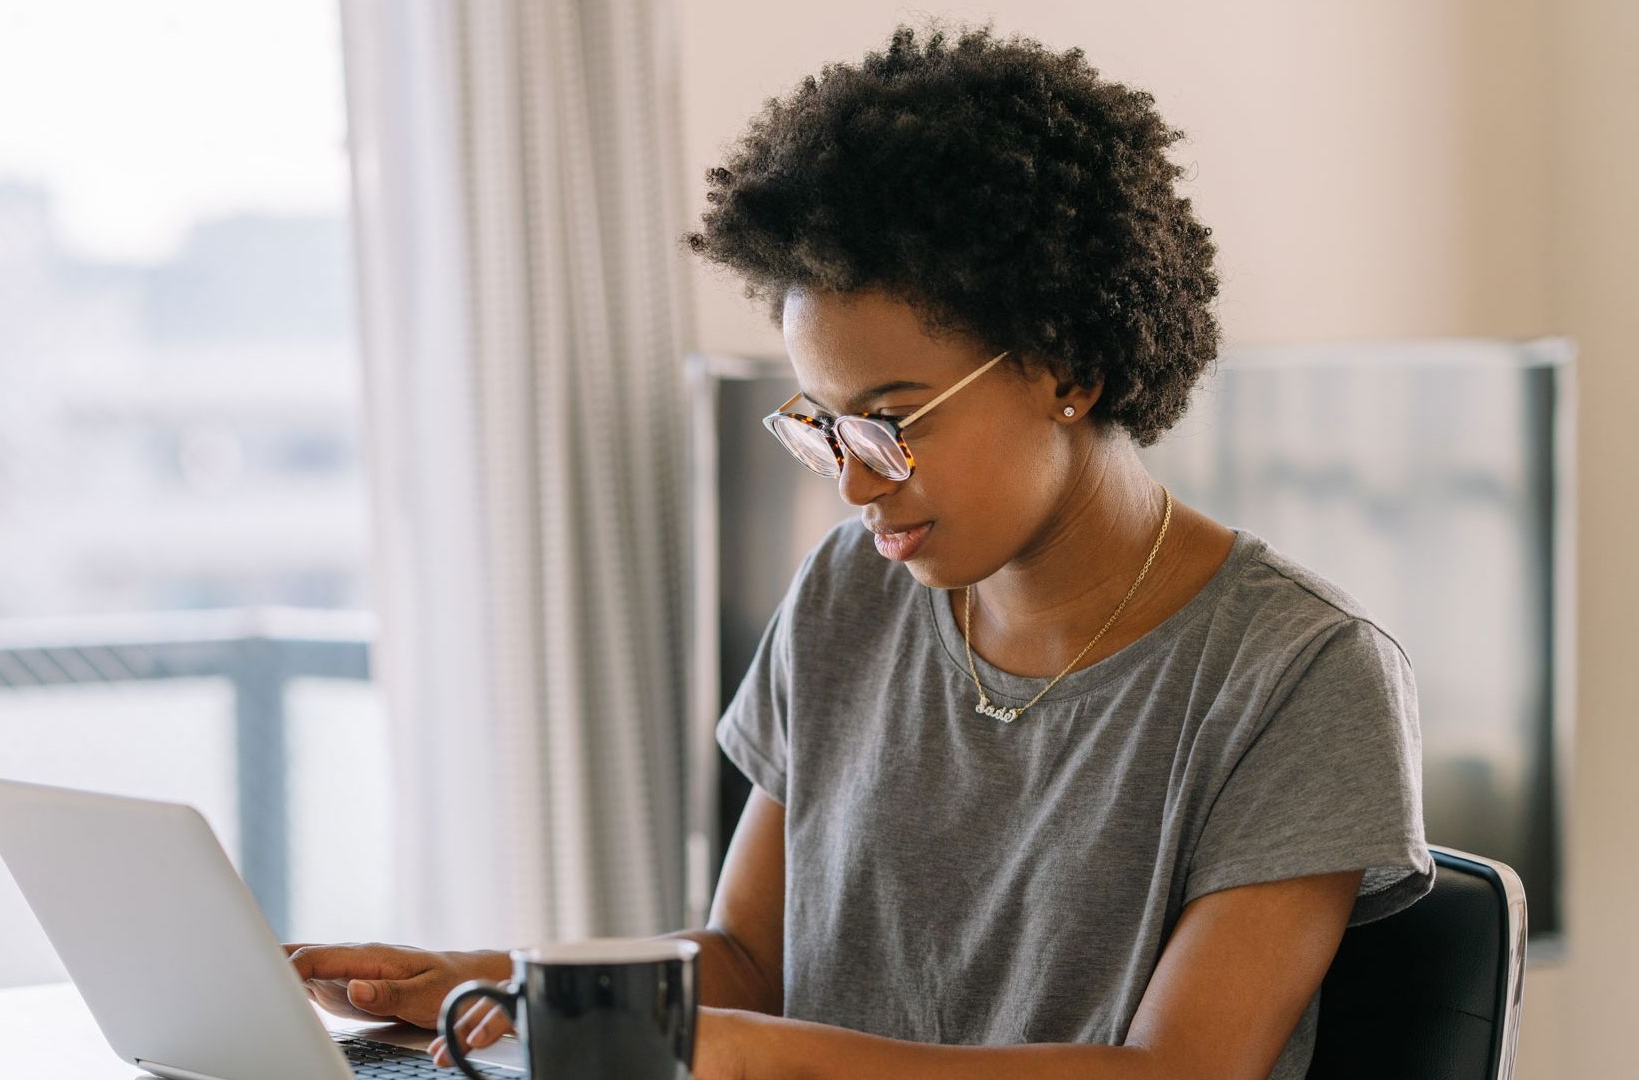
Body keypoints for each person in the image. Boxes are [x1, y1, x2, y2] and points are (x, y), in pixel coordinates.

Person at [286, 22, 1431, 1079]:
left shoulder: (1300, 674)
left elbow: (1177, 1074)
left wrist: (750, 1058)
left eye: (892, 418)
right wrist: (498, 990)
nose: (854, 478)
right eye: (824, 426)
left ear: (1068, 367)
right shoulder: (850, 589)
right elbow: (745, 959)